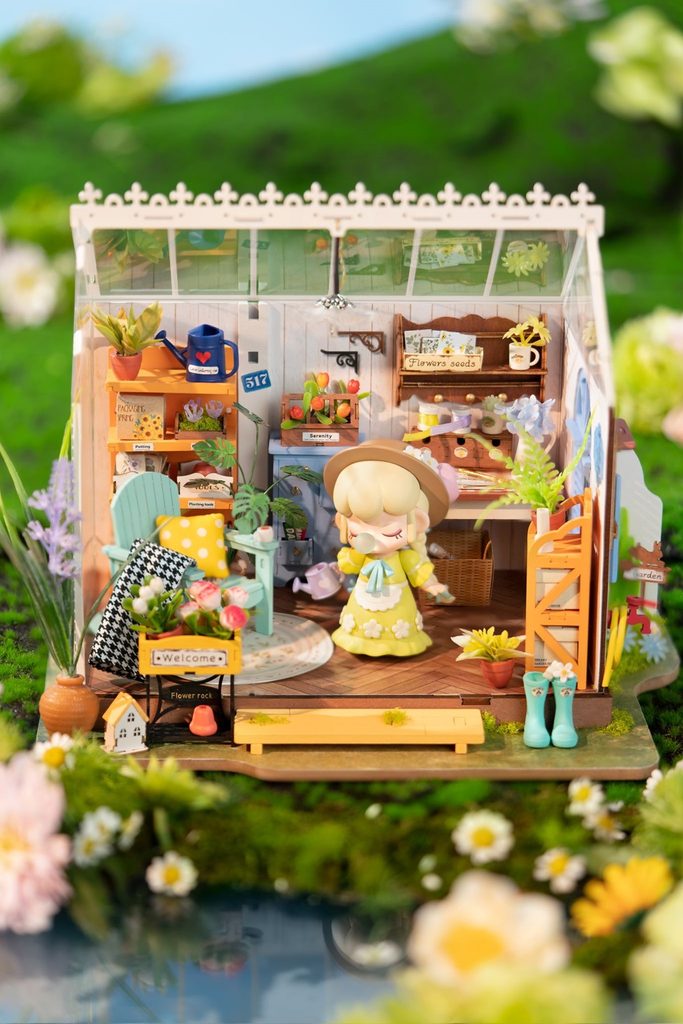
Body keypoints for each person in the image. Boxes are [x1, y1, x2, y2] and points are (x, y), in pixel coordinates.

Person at [323, 439, 455, 657]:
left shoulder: (405, 558)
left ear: (417, 523)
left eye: (388, 530)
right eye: (357, 527)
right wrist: (343, 564)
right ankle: (359, 638)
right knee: (361, 620)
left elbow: (418, 571)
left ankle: (397, 642)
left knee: (397, 622)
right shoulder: (360, 554)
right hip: (362, 609)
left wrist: (432, 585)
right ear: (342, 522)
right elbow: (349, 564)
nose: (370, 536)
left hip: (398, 611)